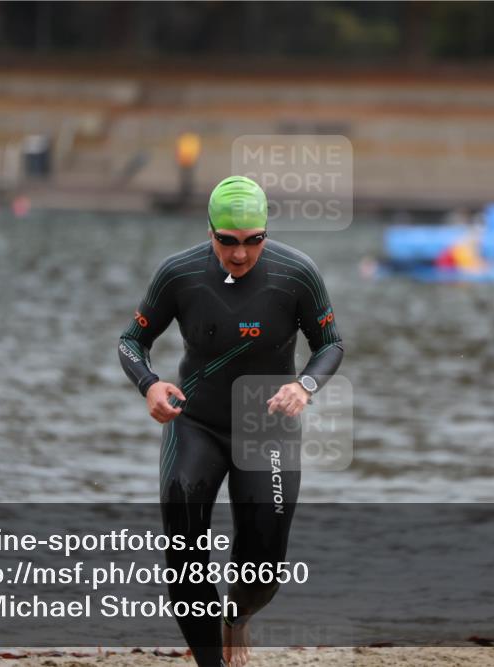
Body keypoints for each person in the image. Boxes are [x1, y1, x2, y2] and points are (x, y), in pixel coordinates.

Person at [118, 176, 344, 667]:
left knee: (262, 571)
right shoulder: (179, 273)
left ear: (265, 233)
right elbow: (132, 341)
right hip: (195, 423)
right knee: (184, 552)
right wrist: (149, 384)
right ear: (210, 232)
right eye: (227, 241)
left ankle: (236, 618)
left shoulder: (296, 273)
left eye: (253, 240)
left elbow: (330, 344)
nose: (240, 254)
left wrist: (304, 386)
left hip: (267, 426)